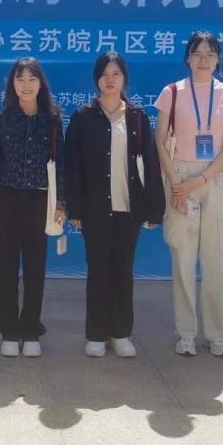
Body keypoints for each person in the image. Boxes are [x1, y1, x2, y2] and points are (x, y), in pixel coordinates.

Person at [65, 52, 164, 358]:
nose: (110, 80)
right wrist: (74, 208)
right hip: (94, 208)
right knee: (97, 270)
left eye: (116, 74)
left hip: (128, 209)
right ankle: (96, 333)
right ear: (96, 78)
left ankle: (121, 333)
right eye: (104, 74)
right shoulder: (83, 116)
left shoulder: (137, 117)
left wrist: (153, 208)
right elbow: (72, 166)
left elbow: (150, 163)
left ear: (124, 79)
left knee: (123, 271)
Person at [155, 32, 223, 358]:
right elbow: (160, 142)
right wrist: (177, 184)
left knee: (218, 258)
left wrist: (203, 179)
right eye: (197, 53)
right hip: (180, 176)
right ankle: (186, 333)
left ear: (218, 59)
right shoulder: (172, 92)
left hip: (216, 178)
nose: (203, 60)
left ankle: (217, 334)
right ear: (188, 58)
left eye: (210, 54)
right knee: (182, 258)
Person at [0, 57, 64, 358]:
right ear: (12, 84)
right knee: (5, 267)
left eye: (32, 79)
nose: (26, 85)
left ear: (41, 84)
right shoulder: (2, 120)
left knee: (35, 268)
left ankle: (30, 330)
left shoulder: (52, 120)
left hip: (39, 201)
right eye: (20, 79)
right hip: (7, 200)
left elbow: (61, 162)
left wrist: (61, 203)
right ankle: (9, 330)